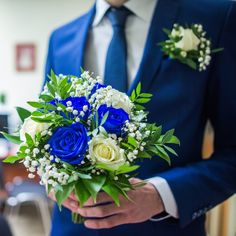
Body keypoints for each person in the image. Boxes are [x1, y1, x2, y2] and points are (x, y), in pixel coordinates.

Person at [44, 0, 236, 235]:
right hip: (72, 229)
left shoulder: (217, 18)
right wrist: (51, 179)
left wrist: (161, 195)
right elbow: (47, 135)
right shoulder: (60, 39)